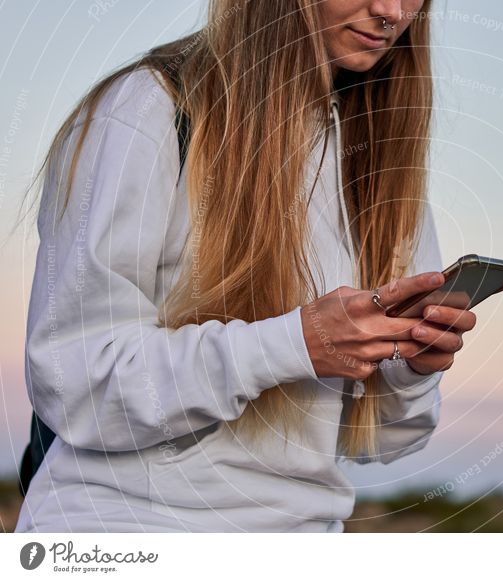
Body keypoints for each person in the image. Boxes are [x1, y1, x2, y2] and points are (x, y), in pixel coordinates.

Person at [14, 0, 477, 533]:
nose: (392, 11)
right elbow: (74, 386)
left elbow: (384, 439)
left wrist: (410, 366)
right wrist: (294, 344)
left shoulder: (379, 162)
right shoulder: (148, 110)